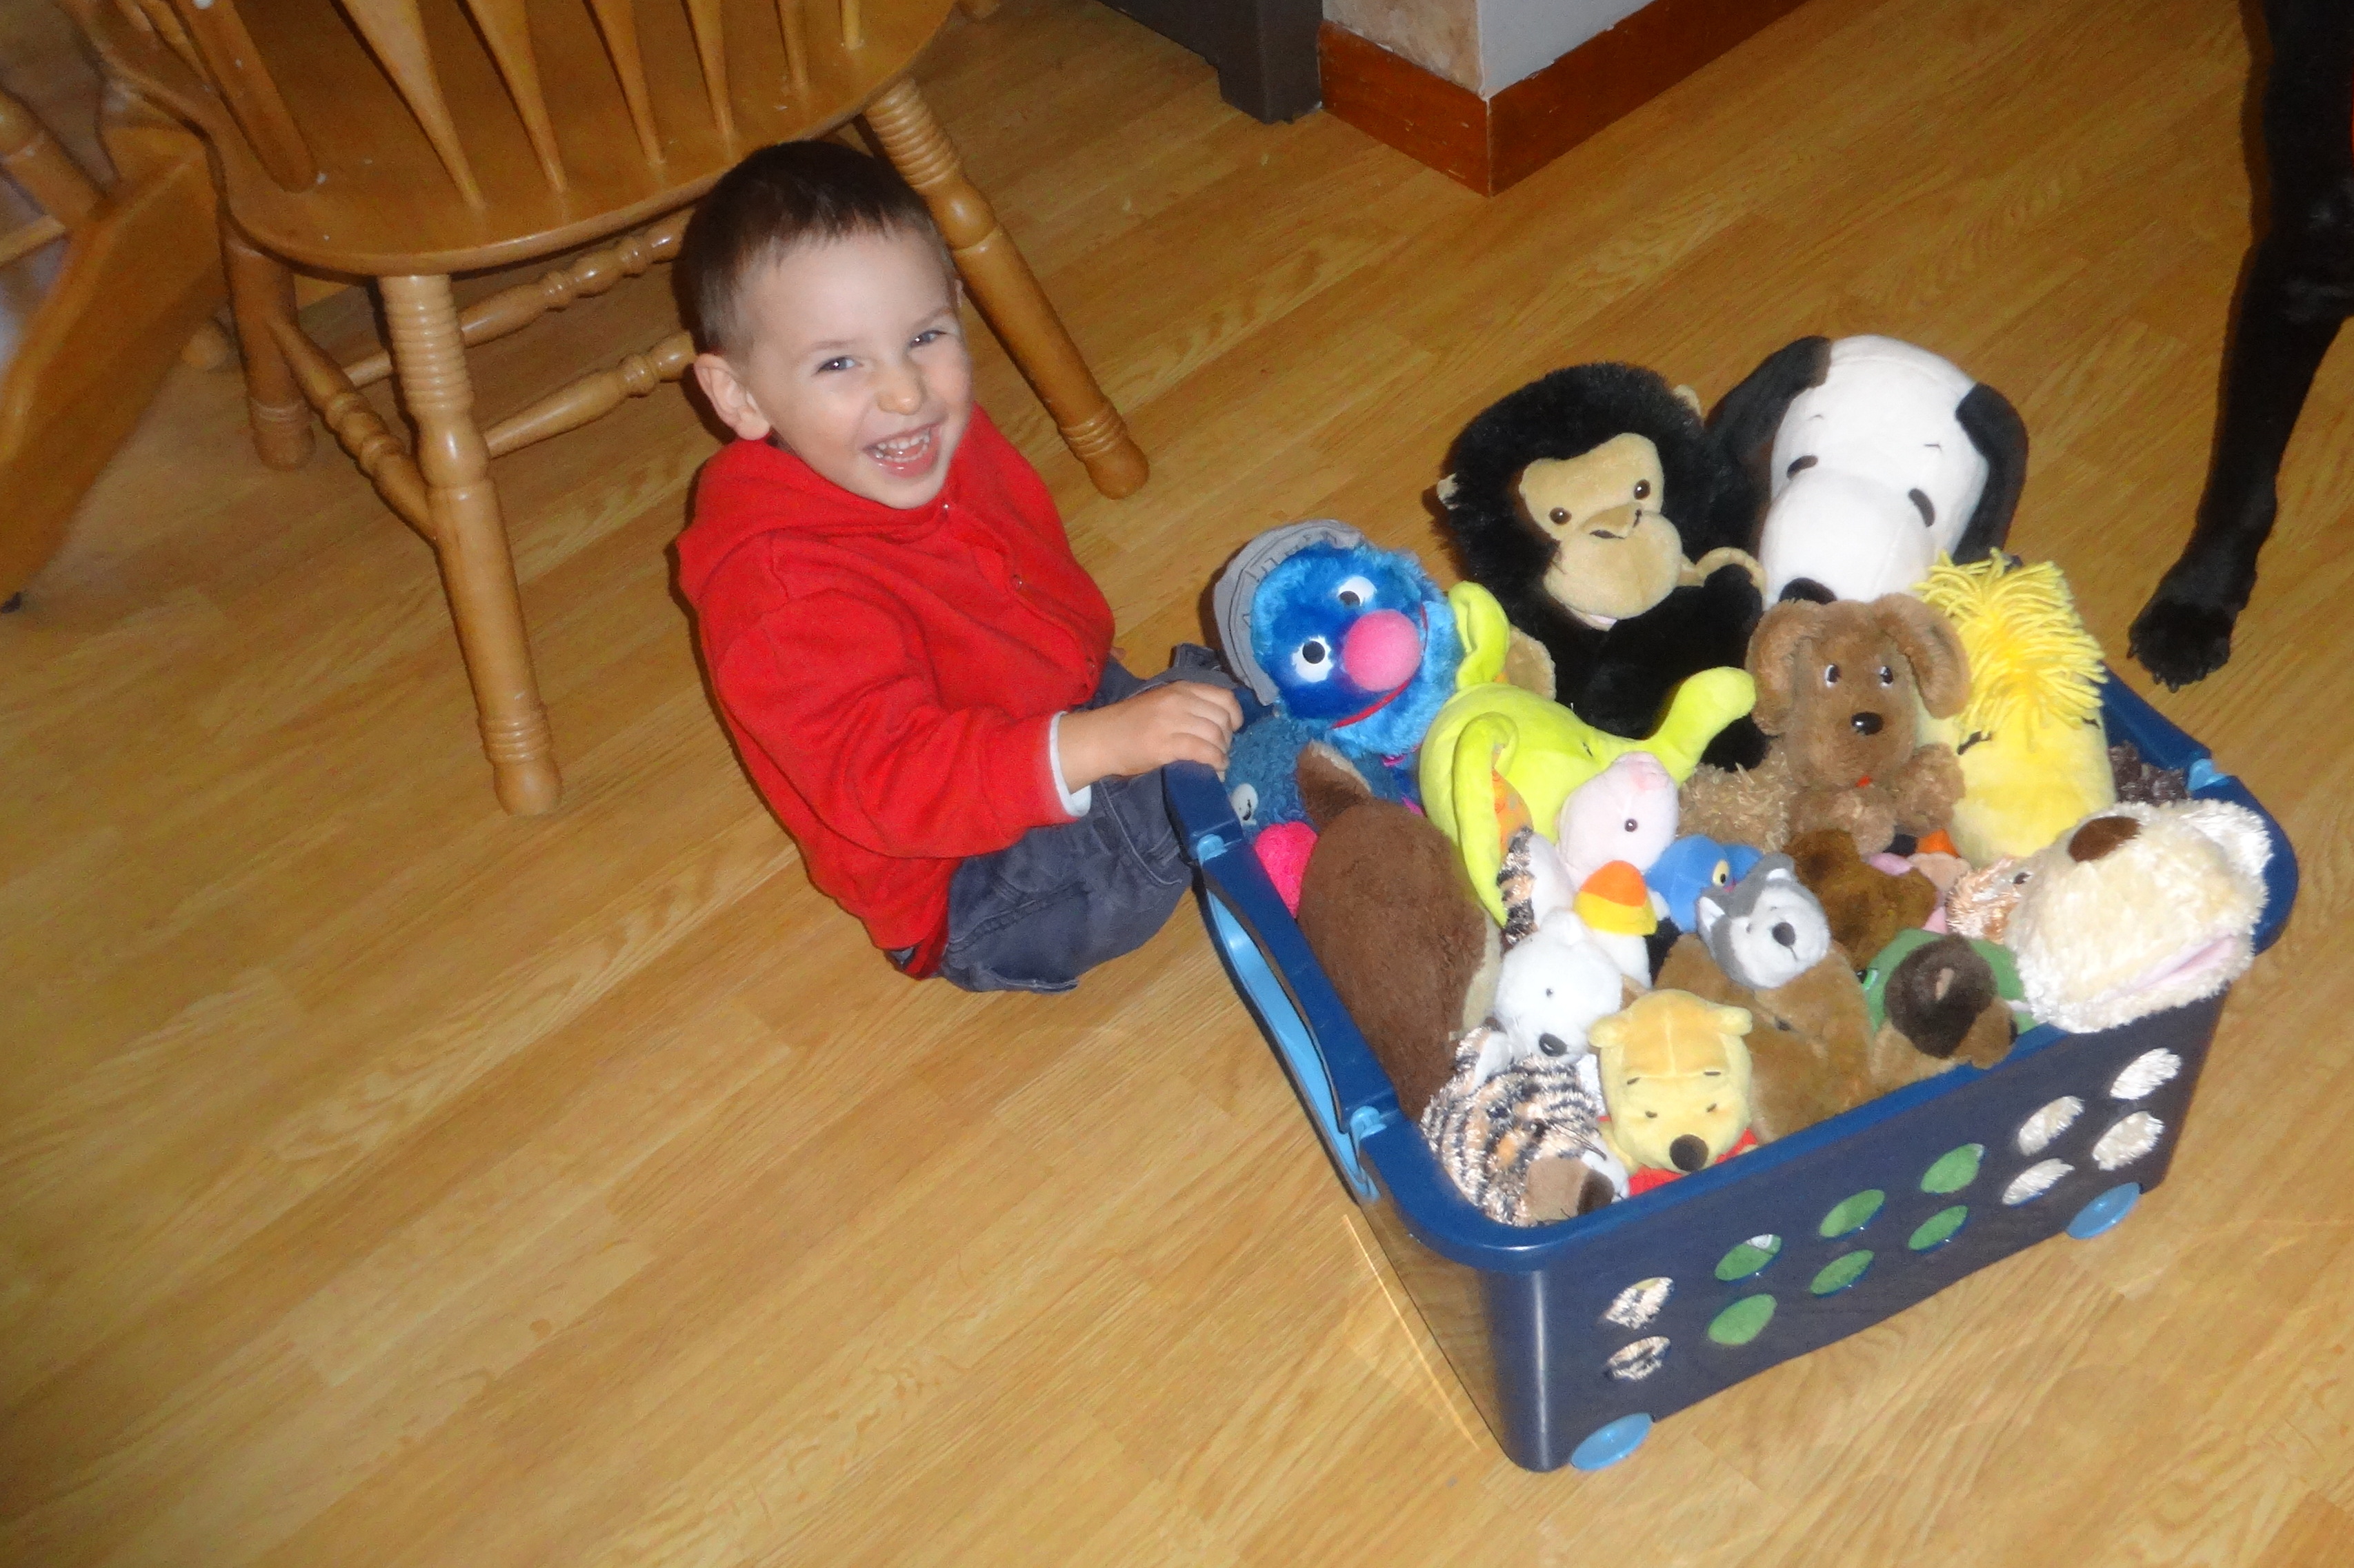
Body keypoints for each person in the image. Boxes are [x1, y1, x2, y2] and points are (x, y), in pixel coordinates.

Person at [675, 141, 1241, 992]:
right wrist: (1098, 743)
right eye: (838, 362)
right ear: (738, 396)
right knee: (1208, 785)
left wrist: (1086, 707)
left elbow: (1024, 572)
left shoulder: (915, 436)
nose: (906, 392)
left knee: (1237, 702)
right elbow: (889, 787)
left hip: (1048, 714)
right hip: (968, 887)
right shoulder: (777, 592)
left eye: (924, 336)